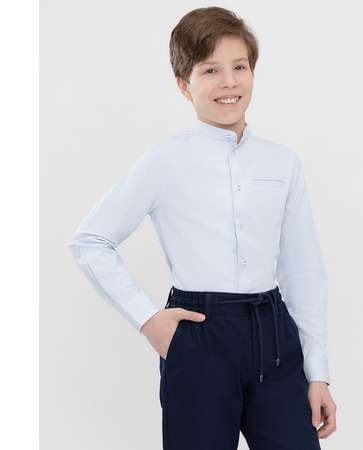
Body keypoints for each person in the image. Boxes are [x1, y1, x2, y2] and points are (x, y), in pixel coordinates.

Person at [68, 6, 337, 449]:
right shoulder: (165, 161)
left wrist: (317, 373)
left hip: (274, 337)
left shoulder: (282, 163)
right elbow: (91, 241)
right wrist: (148, 320)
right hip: (199, 333)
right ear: (184, 85)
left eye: (239, 67)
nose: (229, 82)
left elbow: (303, 270)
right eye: (210, 70)